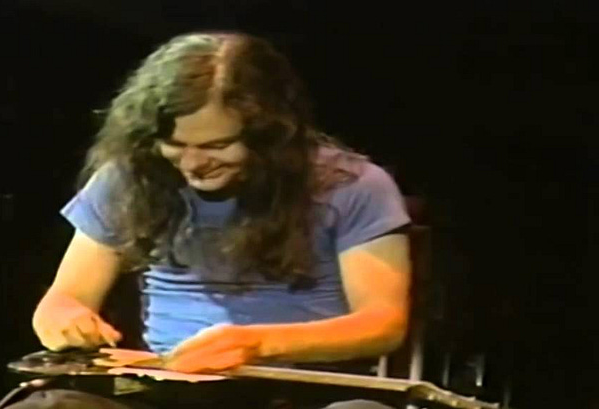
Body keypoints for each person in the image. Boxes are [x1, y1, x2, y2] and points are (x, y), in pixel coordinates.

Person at [25, 31, 411, 409]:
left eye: (217, 146)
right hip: (166, 390)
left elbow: (382, 324)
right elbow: (64, 299)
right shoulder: (130, 178)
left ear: (270, 136)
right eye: (175, 145)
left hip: (304, 390)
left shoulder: (354, 186)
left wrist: (256, 344)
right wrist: (64, 319)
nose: (193, 164)